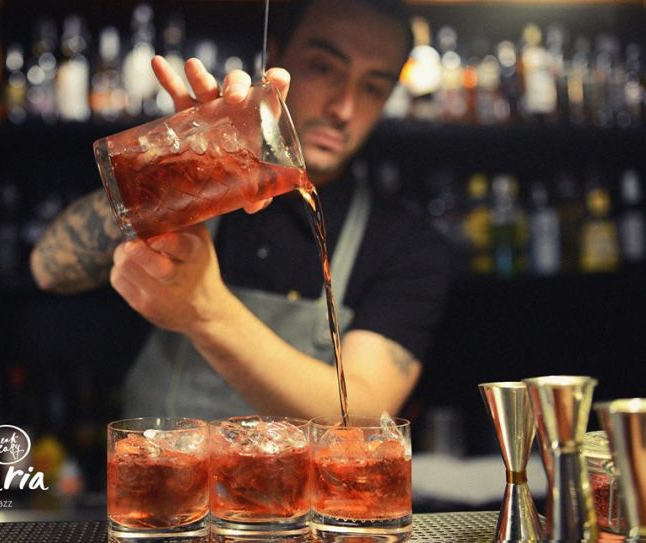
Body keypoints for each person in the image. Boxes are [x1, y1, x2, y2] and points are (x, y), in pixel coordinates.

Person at [30, 0, 450, 421]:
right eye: (323, 68)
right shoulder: (196, 180)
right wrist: (174, 170)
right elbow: (49, 267)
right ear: (274, 60)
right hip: (156, 480)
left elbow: (362, 415)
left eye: (372, 87)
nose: (343, 108)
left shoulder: (407, 246)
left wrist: (205, 310)